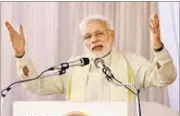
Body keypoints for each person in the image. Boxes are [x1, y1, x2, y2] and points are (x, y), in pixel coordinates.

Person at [4, 13, 176, 101]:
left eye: (99, 33)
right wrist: (21, 54)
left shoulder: (131, 62)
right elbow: (36, 85)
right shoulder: (73, 67)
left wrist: (158, 47)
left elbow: (165, 78)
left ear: (111, 34)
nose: (93, 40)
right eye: (87, 36)